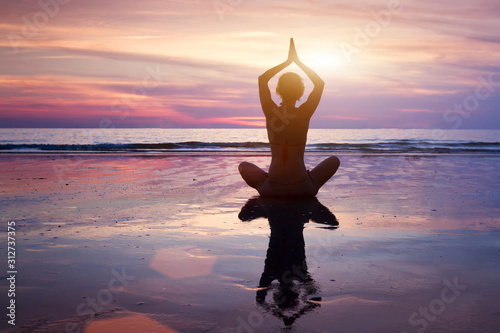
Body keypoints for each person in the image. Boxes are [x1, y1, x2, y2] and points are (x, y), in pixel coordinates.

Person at [238, 38, 340, 197]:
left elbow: (262, 79)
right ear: (301, 92)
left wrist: (287, 62)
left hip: (272, 188)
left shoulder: (271, 111)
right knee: (334, 160)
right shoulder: (304, 113)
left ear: (278, 90)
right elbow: (319, 83)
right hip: (302, 189)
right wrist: (298, 62)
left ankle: (264, 181)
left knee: (243, 165)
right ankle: (309, 180)